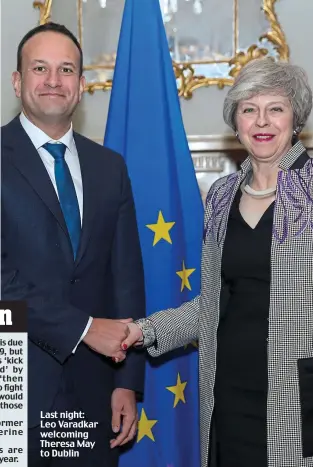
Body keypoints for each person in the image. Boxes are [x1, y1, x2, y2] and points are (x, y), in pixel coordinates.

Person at [121, 58, 313, 467]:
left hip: (298, 403)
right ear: (236, 120)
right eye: (249, 108)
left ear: (295, 116)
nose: (262, 120)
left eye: (275, 108)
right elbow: (211, 306)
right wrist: (143, 330)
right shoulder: (222, 196)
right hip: (225, 399)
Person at [1, 22, 145, 466]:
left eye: (66, 70)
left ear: (82, 86)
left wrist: (127, 380)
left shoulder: (109, 167)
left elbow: (125, 276)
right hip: (13, 386)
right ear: (17, 81)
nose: (53, 80)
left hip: (93, 388)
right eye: (39, 67)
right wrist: (83, 328)